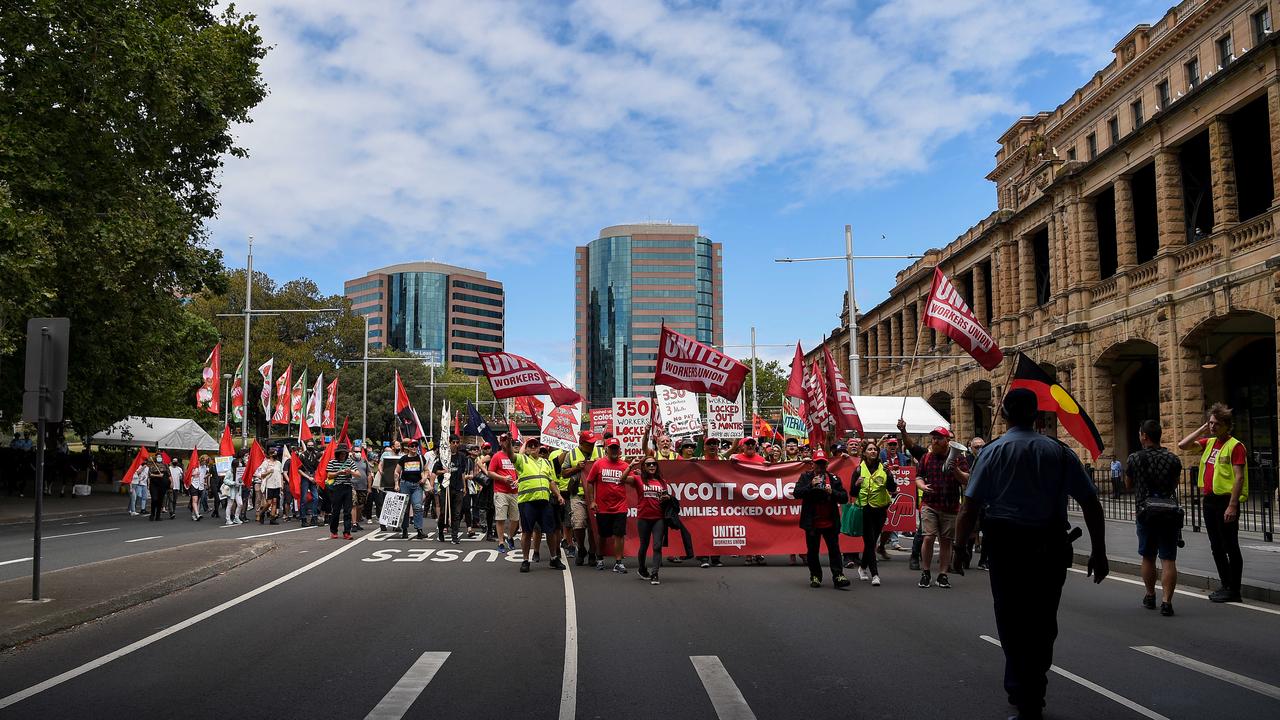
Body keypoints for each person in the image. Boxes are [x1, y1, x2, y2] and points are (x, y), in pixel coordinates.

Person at [956, 388, 1108, 720]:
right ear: (1038, 417)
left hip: (1007, 551)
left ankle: (1024, 691)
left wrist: (959, 547)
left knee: (1011, 622)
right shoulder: (1059, 452)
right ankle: (1031, 687)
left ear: (1006, 415)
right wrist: (1100, 551)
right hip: (1049, 550)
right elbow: (1091, 504)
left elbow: (969, 508)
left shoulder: (992, 453)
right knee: (1042, 622)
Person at [1177, 402, 1248, 603]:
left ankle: (1234, 589)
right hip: (1209, 501)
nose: (1213, 427)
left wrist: (1233, 505)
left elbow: (1239, 477)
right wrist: (1201, 428)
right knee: (1216, 546)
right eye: (1210, 423)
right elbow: (1183, 445)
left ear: (1227, 425)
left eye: (1217, 423)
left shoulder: (1235, 446)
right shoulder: (1209, 442)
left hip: (1225, 501)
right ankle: (1225, 585)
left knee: (1230, 545)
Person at [898, 420, 969, 589]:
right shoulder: (926, 457)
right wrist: (922, 486)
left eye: (938, 438)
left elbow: (966, 479)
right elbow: (919, 476)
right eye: (933, 438)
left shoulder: (958, 458)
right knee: (928, 537)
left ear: (947, 441)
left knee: (946, 541)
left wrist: (955, 470)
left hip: (950, 506)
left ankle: (943, 574)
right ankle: (926, 572)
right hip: (930, 504)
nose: (934, 441)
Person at [1126, 419, 1182, 616]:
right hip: (1168, 512)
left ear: (1144, 436)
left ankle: (1150, 595)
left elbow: (1128, 484)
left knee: (1148, 556)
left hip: (1145, 512)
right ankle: (1167, 602)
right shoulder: (1173, 459)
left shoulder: (1134, 458)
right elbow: (1175, 483)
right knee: (1168, 558)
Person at [499, 434, 566, 573]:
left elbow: (550, 481)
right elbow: (511, 455)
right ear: (527, 449)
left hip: (544, 502)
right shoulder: (522, 460)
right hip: (527, 503)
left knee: (551, 531)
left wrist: (558, 495)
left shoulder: (546, 463)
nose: (534, 447)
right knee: (527, 532)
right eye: (530, 446)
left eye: (536, 445)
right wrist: (509, 444)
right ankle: (525, 560)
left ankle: (554, 558)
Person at [794, 450, 850, 589]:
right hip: (812, 521)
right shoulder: (806, 477)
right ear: (812, 464)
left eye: (822, 464)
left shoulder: (834, 478)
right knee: (813, 551)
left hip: (830, 521)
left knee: (834, 550)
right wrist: (811, 485)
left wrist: (833, 492)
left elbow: (844, 497)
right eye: (817, 463)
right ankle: (815, 576)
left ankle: (838, 575)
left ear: (827, 464)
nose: (820, 466)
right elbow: (796, 493)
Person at [585, 437, 641, 573]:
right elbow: (590, 481)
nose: (614, 450)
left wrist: (637, 474)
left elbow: (633, 481)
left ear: (619, 450)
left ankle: (618, 562)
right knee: (602, 535)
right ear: (606, 450)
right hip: (602, 507)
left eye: (616, 448)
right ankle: (599, 558)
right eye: (611, 448)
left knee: (619, 534)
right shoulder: (598, 464)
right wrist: (592, 500)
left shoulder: (624, 466)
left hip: (620, 506)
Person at [560, 431, 602, 566]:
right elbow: (563, 473)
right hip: (577, 495)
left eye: (593, 442)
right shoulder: (571, 454)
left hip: (596, 495)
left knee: (593, 526)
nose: (592, 445)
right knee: (578, 523)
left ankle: (592, 553)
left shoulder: (600, 453)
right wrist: (576, 468)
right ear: (581, 443)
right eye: (589, 443)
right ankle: (582, 549)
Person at [853, 440, 891, 586]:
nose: (873, 452)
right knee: (869, 541)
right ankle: (875, 574)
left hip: (880, 509)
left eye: (875, 449)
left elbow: (892, 487)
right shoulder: (858, 470)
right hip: (865, 509)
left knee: (872, 540)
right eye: (870, 449)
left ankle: (863, 567)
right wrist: (857, 484)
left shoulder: (884, 469)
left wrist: (890, 475)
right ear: (864, 453)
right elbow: (852, 491)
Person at [635, 457, 671, 585]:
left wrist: (666, 497)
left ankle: (655, 574)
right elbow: (621, 480)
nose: (651, 466)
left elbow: (665, 496)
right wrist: (630, 467)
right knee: (643, 545)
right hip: (644, 517)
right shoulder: (638, 479)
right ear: (643, 466)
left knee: (657, 546)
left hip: (658, 518)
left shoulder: (662, 481)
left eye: (654, 464)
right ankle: (641, 568)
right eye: (648, 464)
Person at [433, 435, 470, 544]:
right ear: (449, 443)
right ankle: (440, 532)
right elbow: (435, 471)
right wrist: (443, 472)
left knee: (457, 513)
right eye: (453, 442)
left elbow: (463, 472)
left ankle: (454, 536)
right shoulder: (443, 457)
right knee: (444, 512)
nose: (455, 444)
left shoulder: (462, 457)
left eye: (457, 442)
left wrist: (464, 486)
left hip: (458, 488)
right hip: (446, 488)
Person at [488, 439, 521, 552]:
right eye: (504, 441)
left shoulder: (516, 457)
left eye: (508, 441)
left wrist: (519, 480)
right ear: (501, 443)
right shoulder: (497, 456)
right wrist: (503, 478)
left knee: (515, 518)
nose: (506, 443)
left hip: (514, 492)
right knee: (500, 518)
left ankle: (510, 537)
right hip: (500, 491)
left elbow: (522, 471)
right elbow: (490, 472)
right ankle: (501, 541)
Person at [396, 441, 429, 540]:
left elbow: (426, 470)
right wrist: (396, 484)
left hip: (417, 485)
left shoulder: (421, 458)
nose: (414, 447)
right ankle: (404, 530)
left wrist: (424, 478)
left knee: (418, 507)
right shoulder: (403, 459)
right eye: (412, 446)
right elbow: (397, 471)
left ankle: (419, 530)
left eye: (416, 446)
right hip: (405, 484)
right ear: (408, 448)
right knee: (404, 508)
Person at [326, 445, 358, 539]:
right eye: (341, 453)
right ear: (338, 453)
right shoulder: (332, 462)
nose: (343, 455)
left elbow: (358, 474)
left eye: (345, 453)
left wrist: (350, 472)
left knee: (347, 511)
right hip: (337, 488)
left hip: (348, 487)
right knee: (336, 510)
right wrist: (338, 473)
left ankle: (347, 532)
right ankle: (334, 531)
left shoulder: (350, 462)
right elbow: (329, 475)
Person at [254, 449, 284, 524]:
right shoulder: (265, 463)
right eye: (274, 453)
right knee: (269, 502)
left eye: (276, 453)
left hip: (277, 485)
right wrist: (268, 472)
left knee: (275, 502)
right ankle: (262, 513)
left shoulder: (278, 463)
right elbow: (261, 474)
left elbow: (281, 474)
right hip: (269, 485)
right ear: (270, 454)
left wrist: (281, 484)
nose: (275, 454)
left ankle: (272, 518)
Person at [222, 454, 244, 526]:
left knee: (240, 504)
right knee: (230, 504)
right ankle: (228, 519)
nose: (239, 467)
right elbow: (225, 480)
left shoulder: (239, 471)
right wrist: (233, 483)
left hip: (238, 490)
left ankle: (236, 518)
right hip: (231, 490)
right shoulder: (229, 472)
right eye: (238, 466)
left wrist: (241, 482)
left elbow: (241, 478)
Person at [147, 451, 168, 522]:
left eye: (160, 456)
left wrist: (171, 483)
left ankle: (158, 516)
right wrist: (158, 475)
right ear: (156, 458)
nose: (159, 458)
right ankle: (152, 514)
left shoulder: (165, 465)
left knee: (160, 500)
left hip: (162, 485)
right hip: (154, 485)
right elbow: (150, 475)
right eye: (158, 456)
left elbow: (169, 475)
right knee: (154, 499)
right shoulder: (152, 465)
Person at [188, 454, 206, 521]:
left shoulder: (204, 467)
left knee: (198, 501)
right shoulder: (194, 465)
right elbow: (189, 474)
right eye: (205, 461)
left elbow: (202, 476)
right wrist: (194, 473)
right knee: (194, 500)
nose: (205, 463)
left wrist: (205, 480)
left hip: (200, 485)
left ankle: (194, 514)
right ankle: (197, 515)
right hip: (193, 484)